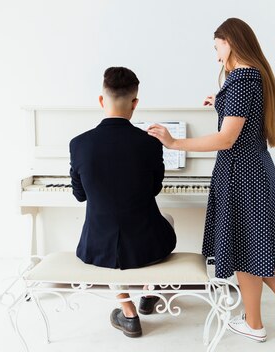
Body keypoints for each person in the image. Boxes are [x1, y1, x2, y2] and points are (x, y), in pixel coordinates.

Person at [147, 18, 275, 346]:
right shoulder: (250, 77)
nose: (217, 55)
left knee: (251, 247)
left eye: (217, 47)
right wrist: (220, 101)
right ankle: (254, 323)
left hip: (242, 174)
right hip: (248, 170)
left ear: (230, 42)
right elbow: (240, 120)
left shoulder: (241, 79)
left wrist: (175, 144)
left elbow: (225, 139)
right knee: (245, 248)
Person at [70, 66, 177, 338]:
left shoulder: (79, 144)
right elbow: (154, 189)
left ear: (101, 100)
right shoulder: (150, 143)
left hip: (98, 246)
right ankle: (149, 292)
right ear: (135, 103)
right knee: (168, 221)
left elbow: (80, 195)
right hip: (147, 245)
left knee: (106, 242)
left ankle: (127, 311)